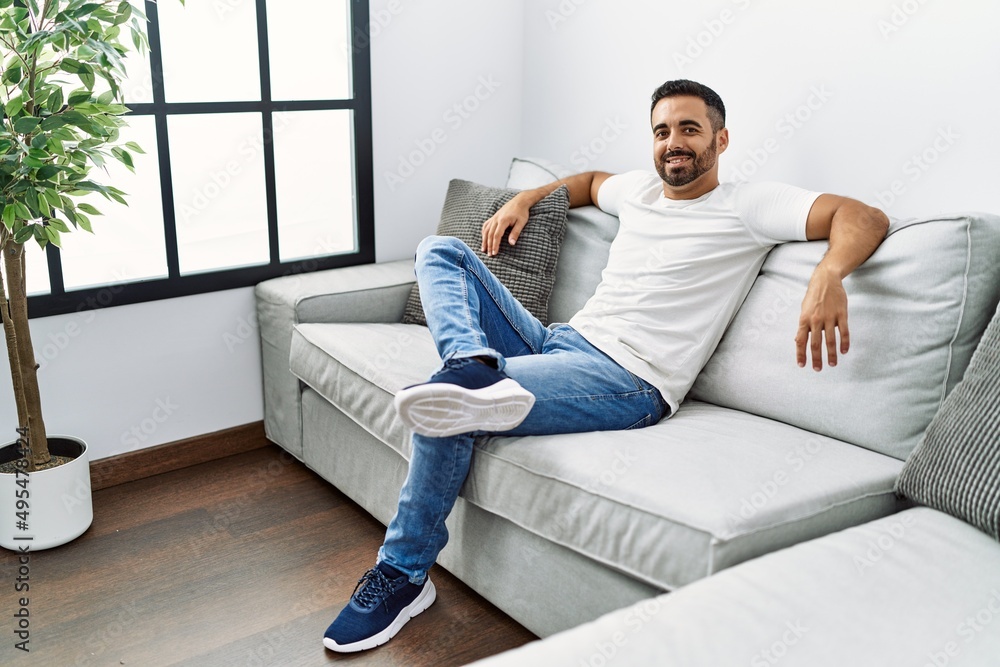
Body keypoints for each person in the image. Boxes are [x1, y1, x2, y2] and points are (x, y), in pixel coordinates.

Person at [322, 79, 890, 652]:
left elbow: (862, 215)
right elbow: (590, 182)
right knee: (439, 250)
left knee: (449, 404)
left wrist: (829, 273)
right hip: (556, 341)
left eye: (690, 129)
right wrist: (526, 199)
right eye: (662, 130)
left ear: (721, 139)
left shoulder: (749, 205)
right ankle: (470, 361)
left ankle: (402, 574)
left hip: (628, 379)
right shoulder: (640, 191)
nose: (674, 142)